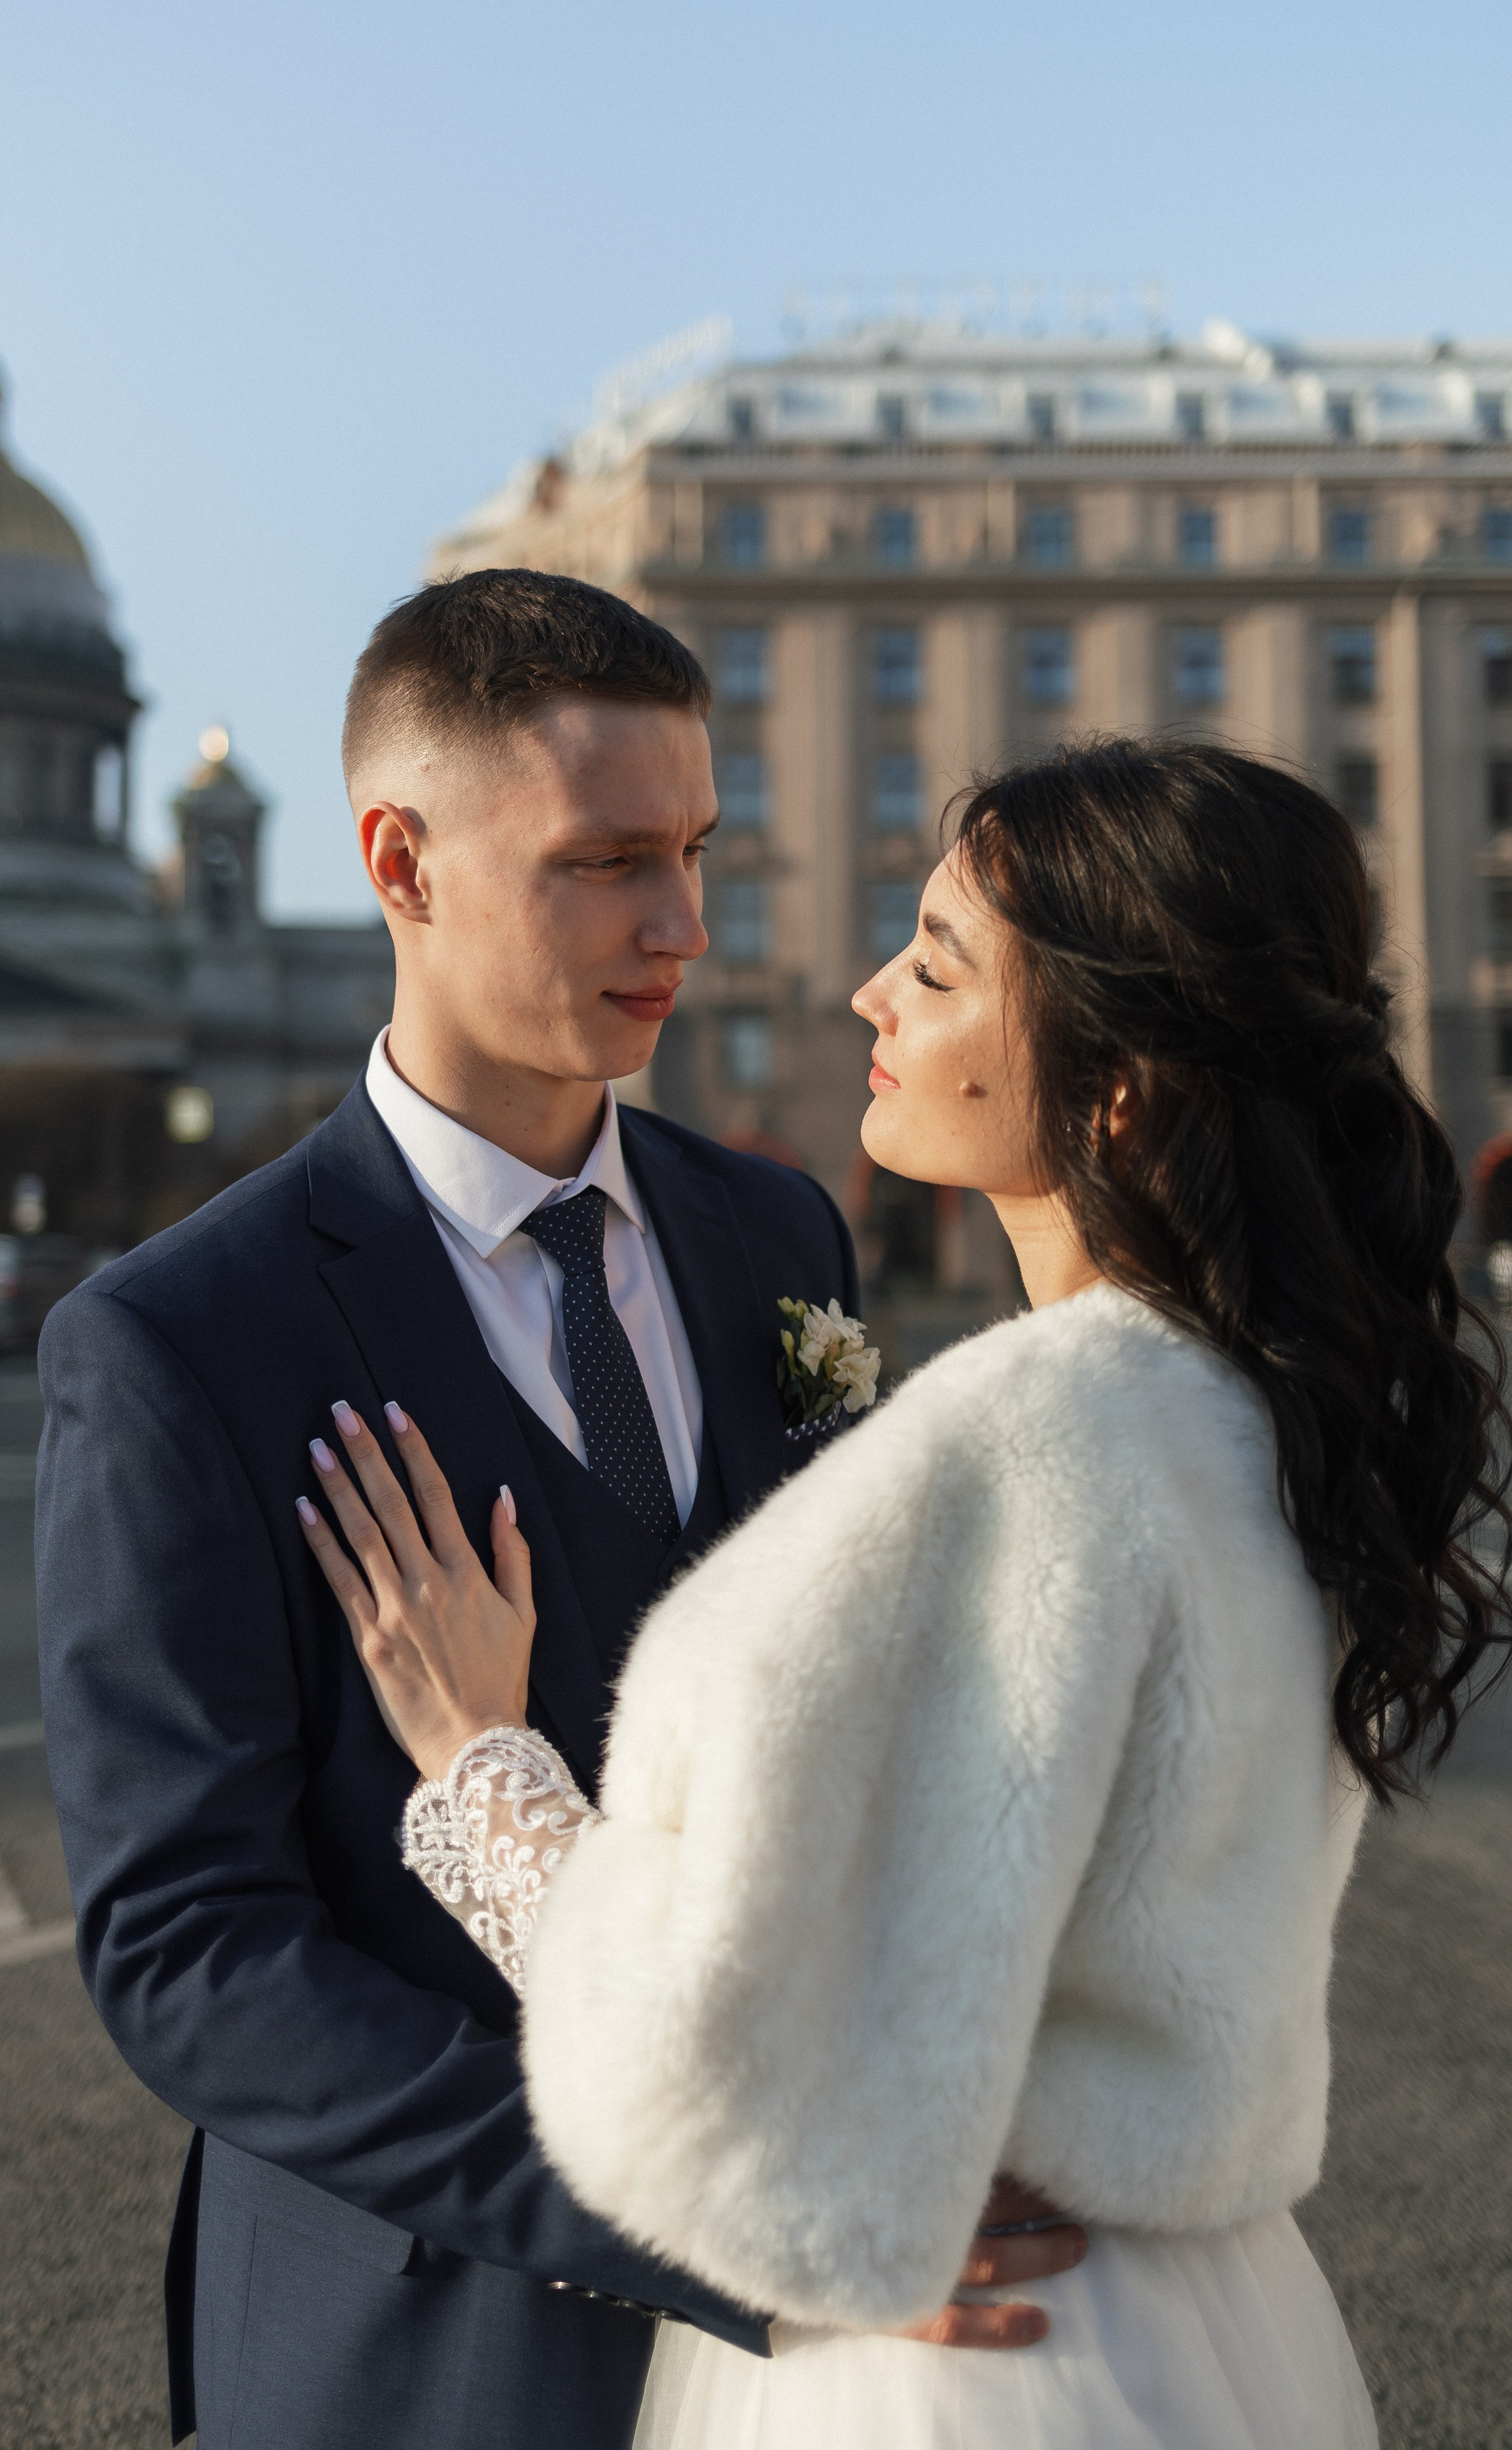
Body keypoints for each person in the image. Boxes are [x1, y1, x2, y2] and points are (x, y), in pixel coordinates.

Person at [303, 734, 1512, 2450]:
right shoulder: (1267, 1409)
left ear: (1116, 1090)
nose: (871, 993)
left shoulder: (1024, 1451)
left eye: (936, 969)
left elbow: (706, 2046)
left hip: (967, 2348)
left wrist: (478, 1762)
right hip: (1207, 2308)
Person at [34, 570, 1083, 2450]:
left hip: (832, 2334)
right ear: (401, 863)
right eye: (605, 863)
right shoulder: (179, 1344)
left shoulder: (778, 1233)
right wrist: (713, 2205)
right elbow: (193, 1953)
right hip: (421, 2351)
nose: (682, 923)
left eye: (693, 849)